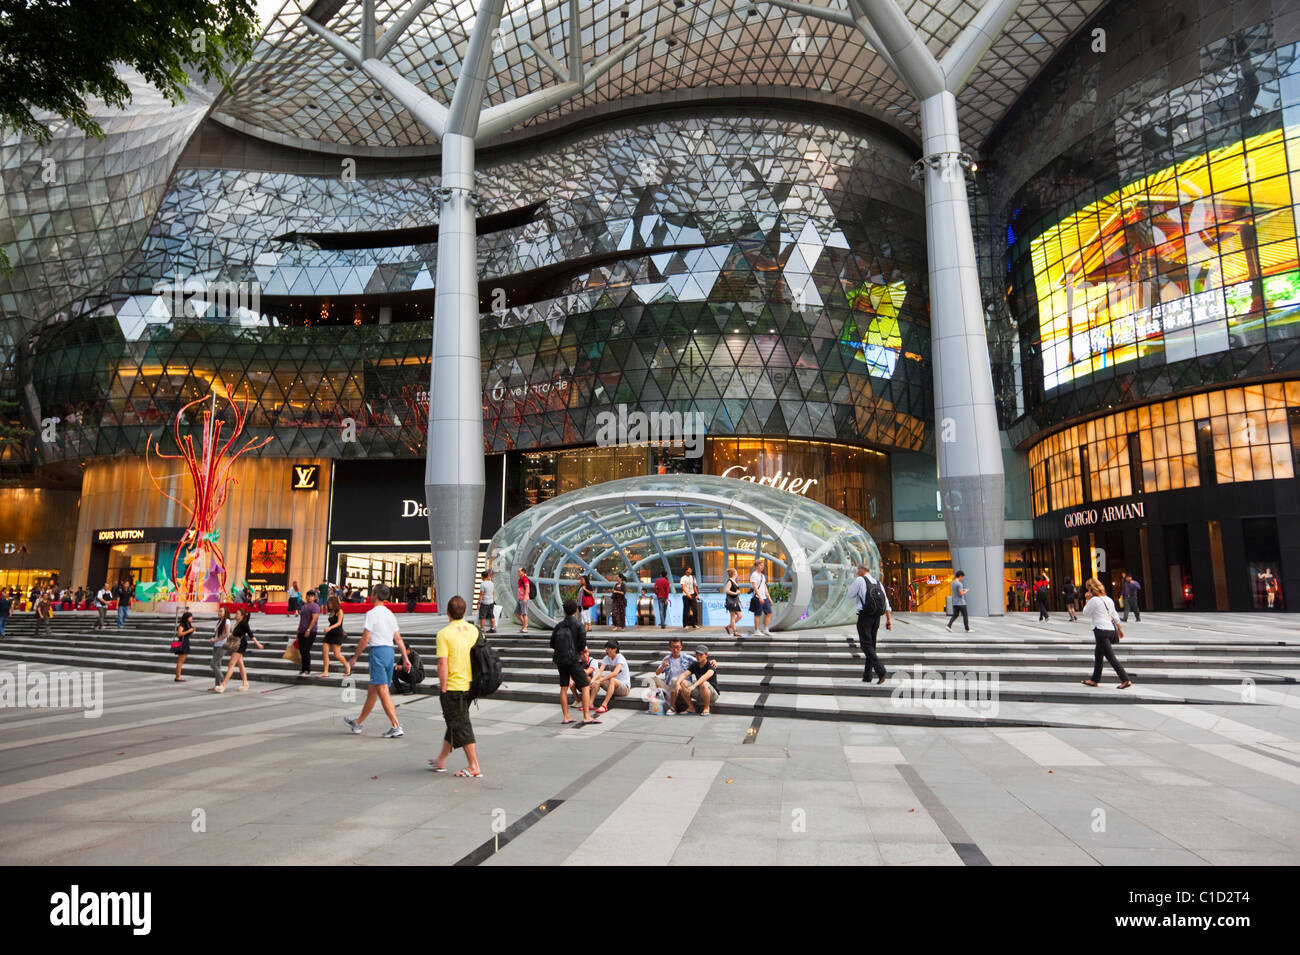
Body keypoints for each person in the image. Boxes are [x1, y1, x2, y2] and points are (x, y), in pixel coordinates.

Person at [343, 583, 412, 738]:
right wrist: (406, 658)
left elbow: (365, 637)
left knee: (382, 690)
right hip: (389, 652)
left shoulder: (372, 613)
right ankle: (358, 722)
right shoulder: (390, 614)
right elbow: (398, 639)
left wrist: (354, 657)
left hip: (378, 652)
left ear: (374, 594)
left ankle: (396, 725)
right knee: (372, 691)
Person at [428, 594, 483, 776]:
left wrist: (443, 688)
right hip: (470, 685)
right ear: (465, 611)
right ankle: (441, 759)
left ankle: (473, 766)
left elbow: (442, 664)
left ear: (447, 612)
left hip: (453, 686)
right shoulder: (473, 630)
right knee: (455, 722)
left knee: (461, 725)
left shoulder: (444, 634)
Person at [1080, 578, 1131, 689]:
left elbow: (1086, 613)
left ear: (1090, 589)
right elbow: (1115, 615)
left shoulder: (1094, 600)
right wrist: (1119, 628)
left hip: (1101, 630)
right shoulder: (1108, 599)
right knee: (1098, 655)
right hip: (1110, 630)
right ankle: (1094, 680)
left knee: (1110, 656)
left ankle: (1125, 679)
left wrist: (1087, 600)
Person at [551, 599, 595, 725]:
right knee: (585, 686)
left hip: (560, 660)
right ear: (576, 610)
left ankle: (566, 716)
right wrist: (578, 652)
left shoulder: (558, 625)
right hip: (573, 659)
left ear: (564, 611)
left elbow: (552, 643)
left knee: (564, 688)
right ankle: (586, 716)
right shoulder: (579, 625)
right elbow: (582, 644)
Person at [848, 564, 891, 683]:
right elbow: (886, 603)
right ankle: (867, 676)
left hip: (865, 616)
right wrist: (889, 620)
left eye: (858, 570)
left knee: (865, 645)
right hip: (877, 618)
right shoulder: (878, 583)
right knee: (871, 646)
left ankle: (880, 670)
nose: (857, 572)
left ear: (862, 570)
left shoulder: (859, 580)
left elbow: (849, 594)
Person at [217, 609, 264, 692]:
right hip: (237, 645)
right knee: (241, 664)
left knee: (231, 664)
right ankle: (245, 683)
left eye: (237, 613)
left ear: (242, 615)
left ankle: (223, 684)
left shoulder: (244, 623)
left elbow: (250, 634)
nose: (236, 615)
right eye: (236, 613)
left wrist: (258, 644)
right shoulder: (237, 623)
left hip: (241, 645)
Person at [653, 638, 696, 714]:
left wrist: (712, 661)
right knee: (654, 679)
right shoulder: (666, 659)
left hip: (683, 686)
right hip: (670, 687)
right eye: (673, 647)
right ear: (670, 648)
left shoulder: (687, 658)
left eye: (678, 647)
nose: (675, 650)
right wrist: (663, 666)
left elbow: (702, 662)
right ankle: (657, 704)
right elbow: (657, 672)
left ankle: (672, 707)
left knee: (674, 680)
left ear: (681, 647)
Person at [591, 639, 630, 714]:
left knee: (612, 679)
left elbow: (615, 673)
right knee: (598, 678)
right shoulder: (606, 658)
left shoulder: (620, 658)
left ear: (615, 649)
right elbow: (600, 671)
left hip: (624, 688)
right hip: (613, 687)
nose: (606, 650)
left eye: (608, 649)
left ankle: (604, 705)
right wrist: (593, 680)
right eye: (605, 648)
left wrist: (601, 680)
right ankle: (590, 703)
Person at [319, 594, 351, 677]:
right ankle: (325, 671)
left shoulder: (340, 611)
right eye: (328, 603)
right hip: (329, 634)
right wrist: (328, 629)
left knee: (336, 654)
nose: (329, 605)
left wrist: (329, 628)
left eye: (330, 603)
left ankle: (347, 666)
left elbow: (339, 623)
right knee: (325, 653)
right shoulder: (332, 611)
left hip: (337, 633)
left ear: (334, 603)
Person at [684, 644, 720, 715]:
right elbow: (684, 674)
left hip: (712, 695)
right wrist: (677, 684)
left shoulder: (711, 665)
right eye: (697, 654)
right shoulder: (695, 665)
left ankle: (707, 707)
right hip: (701, 692)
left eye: (701, 655)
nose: (698, 657)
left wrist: (693, 686)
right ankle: (691, 707)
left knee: (703, 683)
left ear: (706, 655)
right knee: (683, 682)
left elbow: (705, 677)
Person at [296, 589, 321, 677]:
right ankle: (303, 669)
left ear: (314, 598)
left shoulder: (315, 606)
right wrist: (299, 629)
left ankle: (307, 669)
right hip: (302, 631)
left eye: (311, 596)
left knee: (306, 650)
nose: (309, 598)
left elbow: (314, 619)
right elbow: (301, 618)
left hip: (311, 631)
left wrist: (308, 629)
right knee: (302, 651)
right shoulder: (304, 606)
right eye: (308, 596)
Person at [208, 607, 231, 690]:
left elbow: (227, 634)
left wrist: (216, 639)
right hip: (216, 645)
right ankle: (217, 685)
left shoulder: (227, 621)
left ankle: (223, 681)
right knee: (218, 665)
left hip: (222, 645)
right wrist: (213, 639)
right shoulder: (219, 622)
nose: (219, 612)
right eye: (219, 611)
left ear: (225, 613)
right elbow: (217, 633)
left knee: (213, 664)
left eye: (221, 611)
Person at [749, 560, 772, 636]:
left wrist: (769, 597)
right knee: (757, 614)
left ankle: (766, 629)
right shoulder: (754, 575)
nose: (762, 567)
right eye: (761, 565)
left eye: (763, 565)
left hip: (764, 597)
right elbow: (755, 587)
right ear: (756, 566)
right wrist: (759, 597)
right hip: (757, 597)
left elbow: (764, 586)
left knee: (768, 613)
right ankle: (756, 630)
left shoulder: (762, 575)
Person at [173, 611, 194, 682]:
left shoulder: (188, 625)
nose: (192, 618)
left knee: (182, 660)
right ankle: (178, 677)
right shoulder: (181, 625)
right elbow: (179, 634)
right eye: (190, 617)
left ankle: (178, 676)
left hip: (186, 642)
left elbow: (188, 635)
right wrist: (189, 631)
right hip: (182, 643)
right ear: (187, 618)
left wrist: (192, 631)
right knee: (180, 661)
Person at [723, 567, 742, 637]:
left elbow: (736, 592)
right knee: (733, 616)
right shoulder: (729, 581)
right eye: (736, 572)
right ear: (734, 574)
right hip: (731, 601)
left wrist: (739, 600)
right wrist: (735, 593)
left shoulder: (734, 582)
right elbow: (727, 590)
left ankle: (728, 627)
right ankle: (735, 632)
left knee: (740, 616)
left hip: (735, 601)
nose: (737, 574)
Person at [680, 565, 699, 630]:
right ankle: (685, 624)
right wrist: (687, 594)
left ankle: (695, 624)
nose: (690, 571)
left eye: (691, 570)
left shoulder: (693, 577)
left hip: (693, 594)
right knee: (686, 610)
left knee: (695, 609)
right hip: (686, 596)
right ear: (686, 571)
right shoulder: (683, 578)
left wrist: (697, 595)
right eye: (689, 570)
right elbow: (683, 587)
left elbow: (695, 587)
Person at [517, 567, 531, 634]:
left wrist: (525, 598)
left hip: (524, 599)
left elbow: (527, 589)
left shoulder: (525, 579)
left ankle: (525, 628)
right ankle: (525, 625)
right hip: (520, 598)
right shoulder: (520, 579)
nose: (518, 572)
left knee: (524, 613)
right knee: (517, 613)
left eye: (519, 571)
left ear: (523, 572)